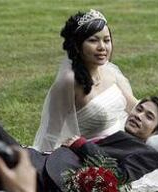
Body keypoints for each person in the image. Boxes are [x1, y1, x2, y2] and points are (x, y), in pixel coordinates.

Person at [0, 96, 158, 192]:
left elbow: (117, 175)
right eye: (139, 109)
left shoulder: (147, 154)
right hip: (38, 158)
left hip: (48, 174)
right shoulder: (118, 136)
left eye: (149, 117)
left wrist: (81, 145)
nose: (139, 115)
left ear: (157, 132)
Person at [33, 9, 138, 152]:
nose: (102, 47)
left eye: (106, 40)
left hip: (126, 145)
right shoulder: (69, 82)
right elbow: (52, 133)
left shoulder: (110, 71)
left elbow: (134, 107)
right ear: (77, 45)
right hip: (96, 156)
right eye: (93, 40)